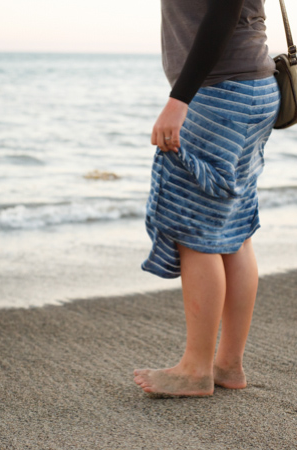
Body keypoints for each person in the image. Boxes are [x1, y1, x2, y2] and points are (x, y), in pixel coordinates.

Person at [135, 0, 279, 396]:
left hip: (220, 93)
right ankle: (227, 365)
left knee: (194, 227)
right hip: (252, 87)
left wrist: (179, 99)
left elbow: (224, 9)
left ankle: (195, 369)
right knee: (234, 229)